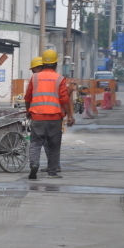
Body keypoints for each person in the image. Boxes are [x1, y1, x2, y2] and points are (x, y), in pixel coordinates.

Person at [26, 49, 73, 180]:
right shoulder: (60, 79)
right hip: (55, 117)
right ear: (56, 64)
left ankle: (34, 164)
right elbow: (64, 99)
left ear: (43, 63)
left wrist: (28, 111)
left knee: (35, 143)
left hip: (37, 116)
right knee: (54, 145)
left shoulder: (35, 77)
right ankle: (52, 172)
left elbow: (27, 97)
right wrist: (70, 116)